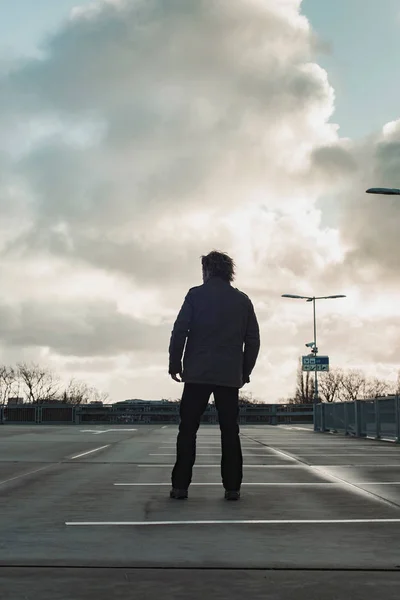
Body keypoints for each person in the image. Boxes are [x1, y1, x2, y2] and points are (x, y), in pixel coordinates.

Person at [168, 250, 260, 501]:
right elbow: (253, 340)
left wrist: (175, 363)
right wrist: (245, 370)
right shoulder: (242, 300)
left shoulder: (195, 295)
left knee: (188, 429)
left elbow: (180, 331)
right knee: (230, 431)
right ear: (229, 272)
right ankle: (232, 487)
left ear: (207, 270)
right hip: (229, 375)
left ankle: (180, 486)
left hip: (197, 373)